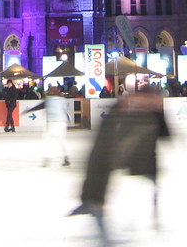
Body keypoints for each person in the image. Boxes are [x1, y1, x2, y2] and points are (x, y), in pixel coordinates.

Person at [70, 86, 170, 242]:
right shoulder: (122, 117)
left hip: (126, 172)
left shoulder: (146, 116)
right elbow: (105, 153)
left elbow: (165, 135)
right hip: (109, 177)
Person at [31, 86, 70, 167]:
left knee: (48, 140)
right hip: (62, 122)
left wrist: (28, 111)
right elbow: (65, 111)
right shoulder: (62, 100)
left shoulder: (49, 100)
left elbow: (39, 107)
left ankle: (47, 159)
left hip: (52, 122)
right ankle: (66, 158)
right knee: (60, 140)